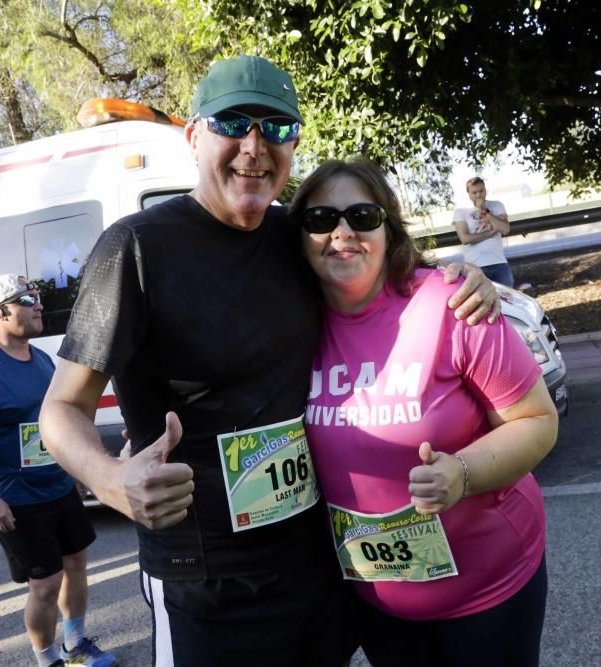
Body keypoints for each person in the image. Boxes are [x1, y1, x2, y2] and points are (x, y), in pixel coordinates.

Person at [38, 55, 498, 667]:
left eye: (276, 128)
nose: (255, 146)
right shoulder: (137, 248)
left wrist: (463, 278)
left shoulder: (296, 235)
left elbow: (382, 266)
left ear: (294, 144)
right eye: (234, 123)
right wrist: (109, 479)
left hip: (316, 561)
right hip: (206, 580)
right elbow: (60, 408)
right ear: (194, 136)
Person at [292, 158, 559, 667]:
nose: (342, 232)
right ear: (300, 236)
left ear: (388, 229)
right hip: (377, 602)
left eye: (363, 216)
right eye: (320, 219)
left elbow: (537, 421)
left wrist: (462, 473)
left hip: (490, 590)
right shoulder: (292, 325)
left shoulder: (451, 302)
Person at [0, 274, 115, 667]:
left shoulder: (41, 360)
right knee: (45, 583)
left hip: (58, 487)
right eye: (27, 299)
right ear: (0, 312)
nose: (38, 304)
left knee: (75, 565)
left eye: (36, 296)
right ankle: (47, 660)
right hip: (17, 499)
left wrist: (76, 466)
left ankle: (75, 645)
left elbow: (61, 418)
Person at [452, 176, 515, 287]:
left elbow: (505, 229)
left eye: (481, 191)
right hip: (475, 266)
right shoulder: (461, 211)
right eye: (474, 192)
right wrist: (491, 232)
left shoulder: (496, 205)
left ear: (485, 190)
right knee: (482, 300)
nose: (478, 195)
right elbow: (465, 239)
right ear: (469, 194)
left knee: (507, 299)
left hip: (499, 262)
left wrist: (484, 211)